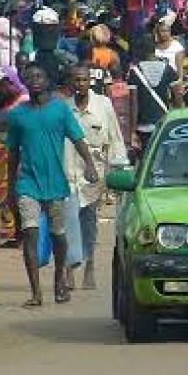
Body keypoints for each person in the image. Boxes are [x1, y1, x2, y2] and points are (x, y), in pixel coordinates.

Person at [6, 65, 99, 307]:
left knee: (58, 235)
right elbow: (12, 154)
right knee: (30, 233)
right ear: (24, 83)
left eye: (39, 76)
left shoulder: (60, 110)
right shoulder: (17, 115)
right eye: (30, 77)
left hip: (56, 183)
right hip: (27, 183)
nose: (34, 81)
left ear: (47, 81)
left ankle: (59, 282)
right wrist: (10, 188)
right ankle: (36, 292)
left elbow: (78, 139)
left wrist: (90, 165)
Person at [63, 63, 127, 291]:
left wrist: (118, 172)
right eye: (76, 80)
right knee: (67, 222)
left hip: (93, 177)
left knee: (88, 223)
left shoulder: (103, 105)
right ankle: (69, 269)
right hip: (68, 174)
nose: (80, 84)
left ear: (90, 81)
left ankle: (89, 266)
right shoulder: (63, 108)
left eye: (83, 80)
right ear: (70, 82)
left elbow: (115, 139)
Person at [128, 33, 181, 153]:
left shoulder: (135, 72)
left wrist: (132, 131)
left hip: (143, 127)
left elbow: (133, 104)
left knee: (146, 159)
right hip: (164, 123)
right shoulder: (168, 69)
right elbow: (178, 98)